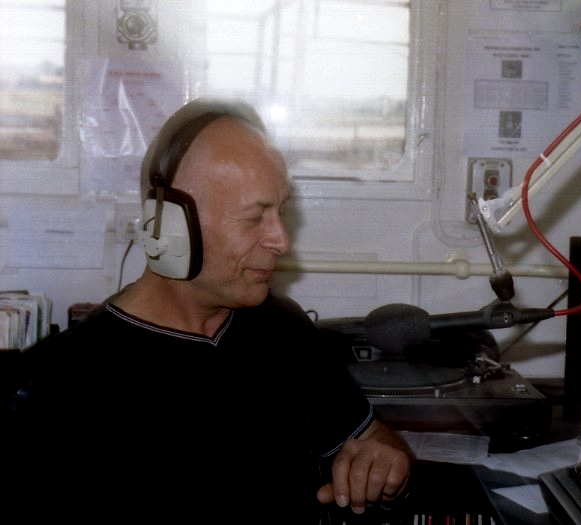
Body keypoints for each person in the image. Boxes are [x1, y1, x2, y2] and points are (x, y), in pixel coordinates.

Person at [5, 98, 414, 522]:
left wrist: (386, 461)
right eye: (254, 218)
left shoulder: (282, 325)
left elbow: (368, 437)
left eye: (281, 211)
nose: (281, 240)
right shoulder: (59, 385)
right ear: (173, 226)